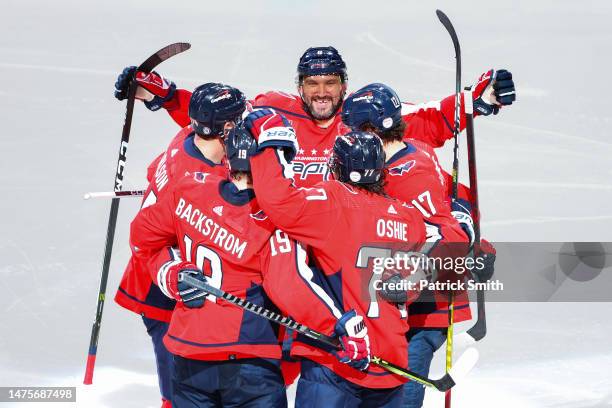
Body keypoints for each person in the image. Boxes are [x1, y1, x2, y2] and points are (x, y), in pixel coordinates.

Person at [113, 47, 516, 188]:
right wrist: (162, 95)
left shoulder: (366, 113)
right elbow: (220, 116)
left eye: (330, 82)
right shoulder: (273, 108)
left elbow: (429, 119)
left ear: (344, 84)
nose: (321, 91)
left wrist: (476, 100)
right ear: (299, 85)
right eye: (312, 83)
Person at [244, 108, 428, 407]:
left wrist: (268, 144)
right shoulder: (411, 219)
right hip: (391, 360)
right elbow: (416, 278)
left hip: (338, 360)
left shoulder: (334, 201)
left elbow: (280, 202)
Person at [341, 83, 498, 408]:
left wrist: (412, 282)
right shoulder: (410, 151)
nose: (348, 138)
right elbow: (459, 198)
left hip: (422, 311)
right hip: (394, 307)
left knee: (398, 400)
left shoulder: (410, 175)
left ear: (371, 128)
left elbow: (445, 238)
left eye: (354, 130)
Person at [128, 124, 287, 407]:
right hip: (249, 355)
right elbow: (292, 288)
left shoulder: (189, 188)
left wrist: (169, 272)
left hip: (190, 352)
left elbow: (141, 237)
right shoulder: (279, 218)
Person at [113, 79, 246, 407]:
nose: (247, 126)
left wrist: (163, 94)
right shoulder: (196, 182)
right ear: (226, 128)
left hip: (179, 279)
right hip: (166, 288)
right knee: (180, 395)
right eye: (240, 121)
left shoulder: (189, 136)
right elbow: (146, 237)